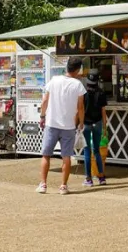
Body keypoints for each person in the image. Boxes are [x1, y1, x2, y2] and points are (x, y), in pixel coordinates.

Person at [37, 56, 86, 195]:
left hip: (51, 123)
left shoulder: (54, 80)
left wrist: (42, 115)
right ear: (77, 70)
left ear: (67, 67)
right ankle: (63, 186)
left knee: (46, 155)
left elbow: (45, 100)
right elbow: (80, 107)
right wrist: (81, 122)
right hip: (69, 125)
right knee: (66, 156)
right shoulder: (78, 85)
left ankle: (43, 184)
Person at [82, 69, 108, 187]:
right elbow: (103, 111)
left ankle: (88, 179)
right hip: (97, 123)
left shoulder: (83, 93)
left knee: (87, 151)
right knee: (97, 150)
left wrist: (79, 123)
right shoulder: (101, 92)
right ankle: (101, 177)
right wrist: (104, 126)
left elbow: (80, 109)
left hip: (86, 124)